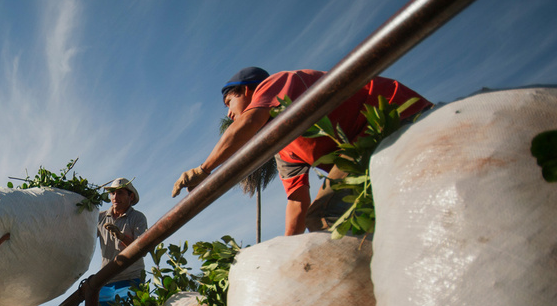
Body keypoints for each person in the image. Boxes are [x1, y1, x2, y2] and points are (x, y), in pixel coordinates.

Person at [172, 67, 432, 236]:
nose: (229, 113)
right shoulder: (285, 149)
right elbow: (297, 203)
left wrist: (203, 170)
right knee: (320, 217)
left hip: (392, 117)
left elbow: (248, 122)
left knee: (326, 215)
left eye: (230, 102)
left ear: (248, 90)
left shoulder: (278, 83)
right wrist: (286, 251)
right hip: (364, 149)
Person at [97, 177, 148, 306]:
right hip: (106, 281)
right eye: (112, 193)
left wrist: (121, 236)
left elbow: (142, 249)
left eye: (120, 193)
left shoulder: (138, 218)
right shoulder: (101, 218)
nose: (115, 197)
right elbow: (83, 236)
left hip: (131, 279)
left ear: (130, 196)